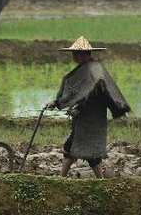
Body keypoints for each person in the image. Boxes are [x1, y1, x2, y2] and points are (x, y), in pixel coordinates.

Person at [45, 36, 130, 179]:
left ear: (82, 54)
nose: (73, 58)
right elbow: (78, 93)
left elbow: (91, 95)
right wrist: (57, 102)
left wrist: (78, 109)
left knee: (75, 149)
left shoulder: (93, 71)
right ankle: (78, 179)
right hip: (87, 119)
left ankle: (62, 179)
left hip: (91, 119)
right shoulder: (87, 69)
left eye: (75, 55)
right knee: (82, 151)